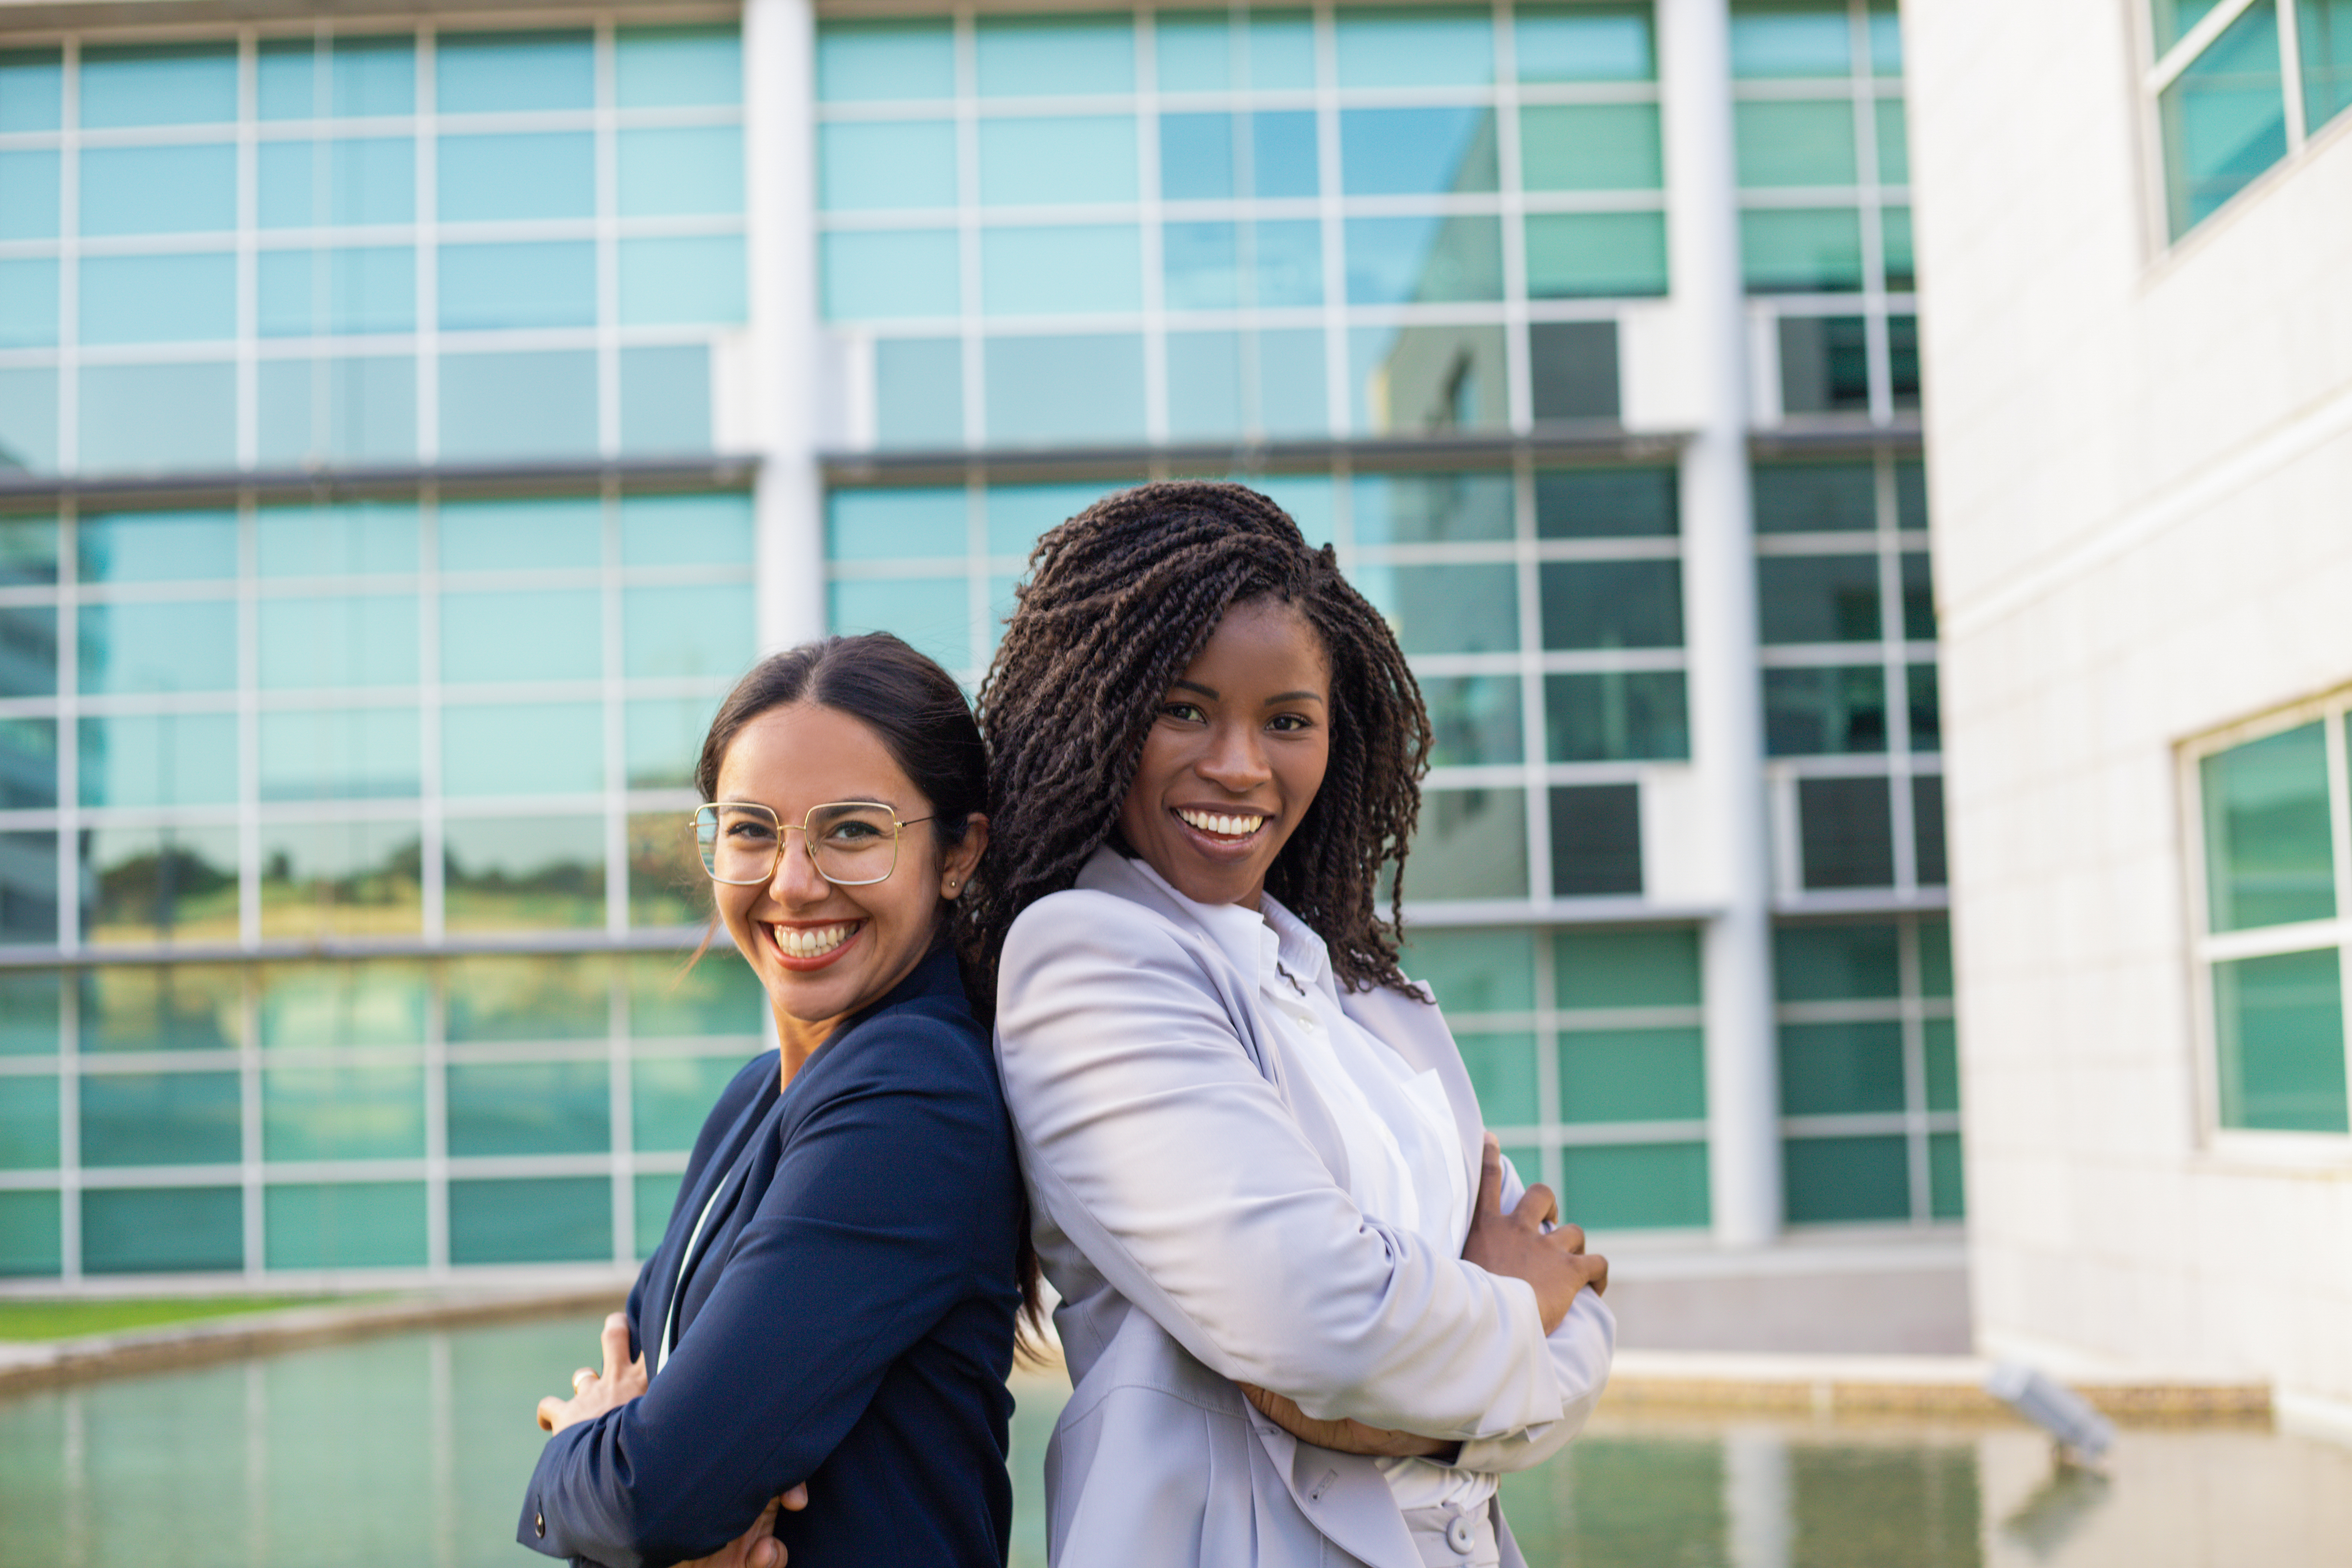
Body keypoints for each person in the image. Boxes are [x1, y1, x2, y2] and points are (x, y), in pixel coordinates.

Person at [970, 483, 1614, 1568]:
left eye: (1288, 721)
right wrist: (1511, 1311)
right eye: (1184, 709)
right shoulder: (1088, 957)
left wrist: (1414, 1386)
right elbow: (1313, 1320)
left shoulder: (1370, 1000)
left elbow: (1586, 1326)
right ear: (1098, 714)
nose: (1239, 765)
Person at [519, 633, 1034, 1568]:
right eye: (753, 829)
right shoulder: (753, 1098)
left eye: (852, 831)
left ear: (959, 854)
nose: (794, 884)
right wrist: (636, 1476)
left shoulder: (915, 1096)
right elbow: (660, 1471)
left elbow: (654, 1493)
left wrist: (573, 1457)